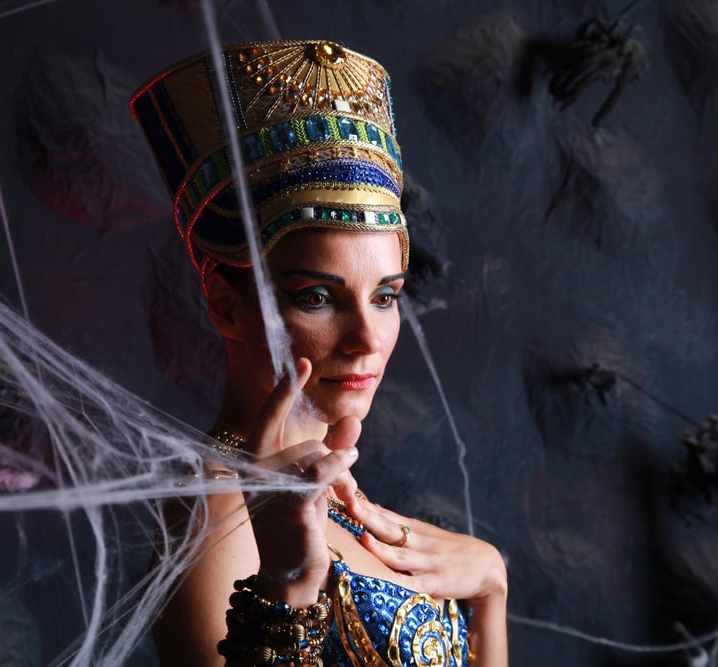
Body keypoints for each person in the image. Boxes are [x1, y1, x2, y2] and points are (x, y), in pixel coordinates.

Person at [131, 39, 508, 666]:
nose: (367, 339)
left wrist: (491, 589)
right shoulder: (215, 509)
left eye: (384, 297)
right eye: (317, 297)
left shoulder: (337, 498)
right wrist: (287, 592)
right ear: (226, 305)